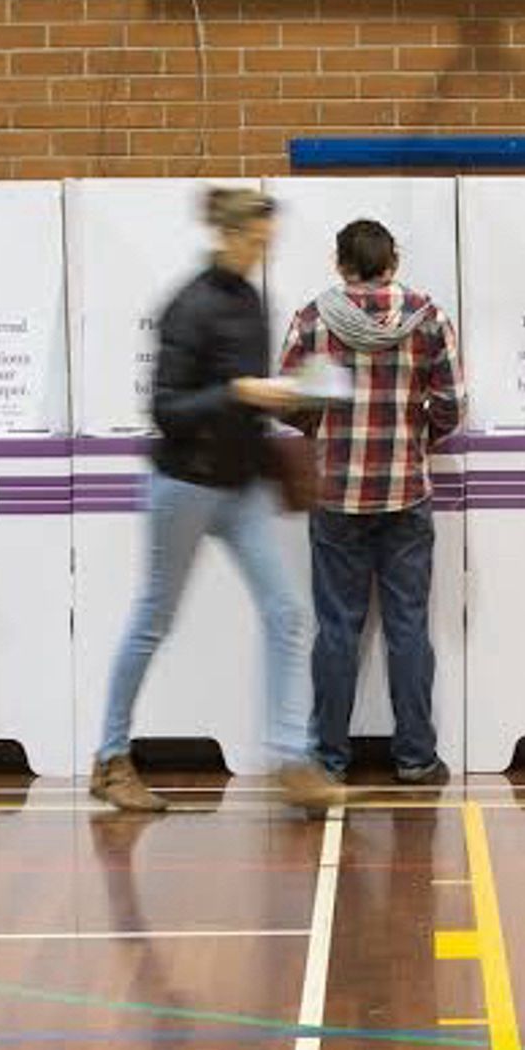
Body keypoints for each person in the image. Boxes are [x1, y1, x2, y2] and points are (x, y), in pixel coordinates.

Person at [90, 188, 346, 814]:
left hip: (239, 485)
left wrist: (287, 399)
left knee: (286, 614)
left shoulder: (253, 301)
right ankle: (110, 759)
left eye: (269, 244)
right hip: (183, 482)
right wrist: (239, 392)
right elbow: (166, 409)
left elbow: (249, 398)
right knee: (154, 619)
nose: (264, 253)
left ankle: (291, 759)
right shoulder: (188, 306)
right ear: (228, 237)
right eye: (257, 242)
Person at [280, 219, 462, 785]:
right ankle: (415, 757)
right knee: (408, 626)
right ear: (394, 260)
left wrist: (323, 430)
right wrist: (416, 439)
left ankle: (328, 760)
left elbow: (290, 401)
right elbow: (451, 404)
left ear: (340, 263)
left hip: (337, 493)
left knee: (337, 628)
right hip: (406, 492)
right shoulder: (429, 318)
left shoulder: (315, 320)